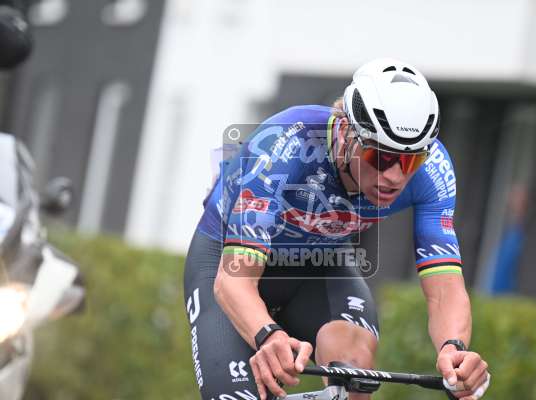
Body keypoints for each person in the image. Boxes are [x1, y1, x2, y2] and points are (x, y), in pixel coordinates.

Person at [184, 58, 491, 400]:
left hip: (319, 266)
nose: (395, 176)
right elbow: (234, 282)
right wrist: (268, 335)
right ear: (346, 133)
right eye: (380, 157)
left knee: (354, 370)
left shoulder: (433, 171)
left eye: (411, 161)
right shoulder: (284, 144)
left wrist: (454, 350)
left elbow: (445, 287)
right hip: (227, 261)